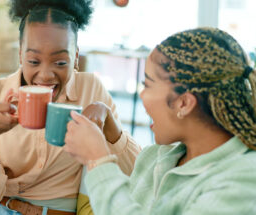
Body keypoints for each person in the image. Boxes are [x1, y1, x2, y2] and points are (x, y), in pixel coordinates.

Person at [0, 0, 140, 214]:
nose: (46, 75)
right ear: (20, 54)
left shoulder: (91, 90)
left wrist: (110, 125)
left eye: (60, 62)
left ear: (75, 56)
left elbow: (138, 178)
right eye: (33, 61)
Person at [63, 27, 256, 215]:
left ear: (184, 103)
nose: (142, 95)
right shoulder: (154, 158)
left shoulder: (243, 180)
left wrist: (98, 160)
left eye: (148, 84)